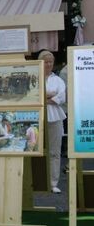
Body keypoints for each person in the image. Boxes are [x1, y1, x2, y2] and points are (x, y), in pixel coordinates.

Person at [38, 50, 66, 194]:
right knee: (35, 150)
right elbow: (33, 95)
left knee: (54, 151)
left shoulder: (58, 80)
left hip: (55, 118)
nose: (48, 64)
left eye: (50, 61)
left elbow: (61, 98)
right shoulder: (34, 77)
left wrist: (45, 97)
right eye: (46, 61)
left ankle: (53, 182)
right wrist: (50, 95)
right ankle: (36, 181)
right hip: (37, 118)